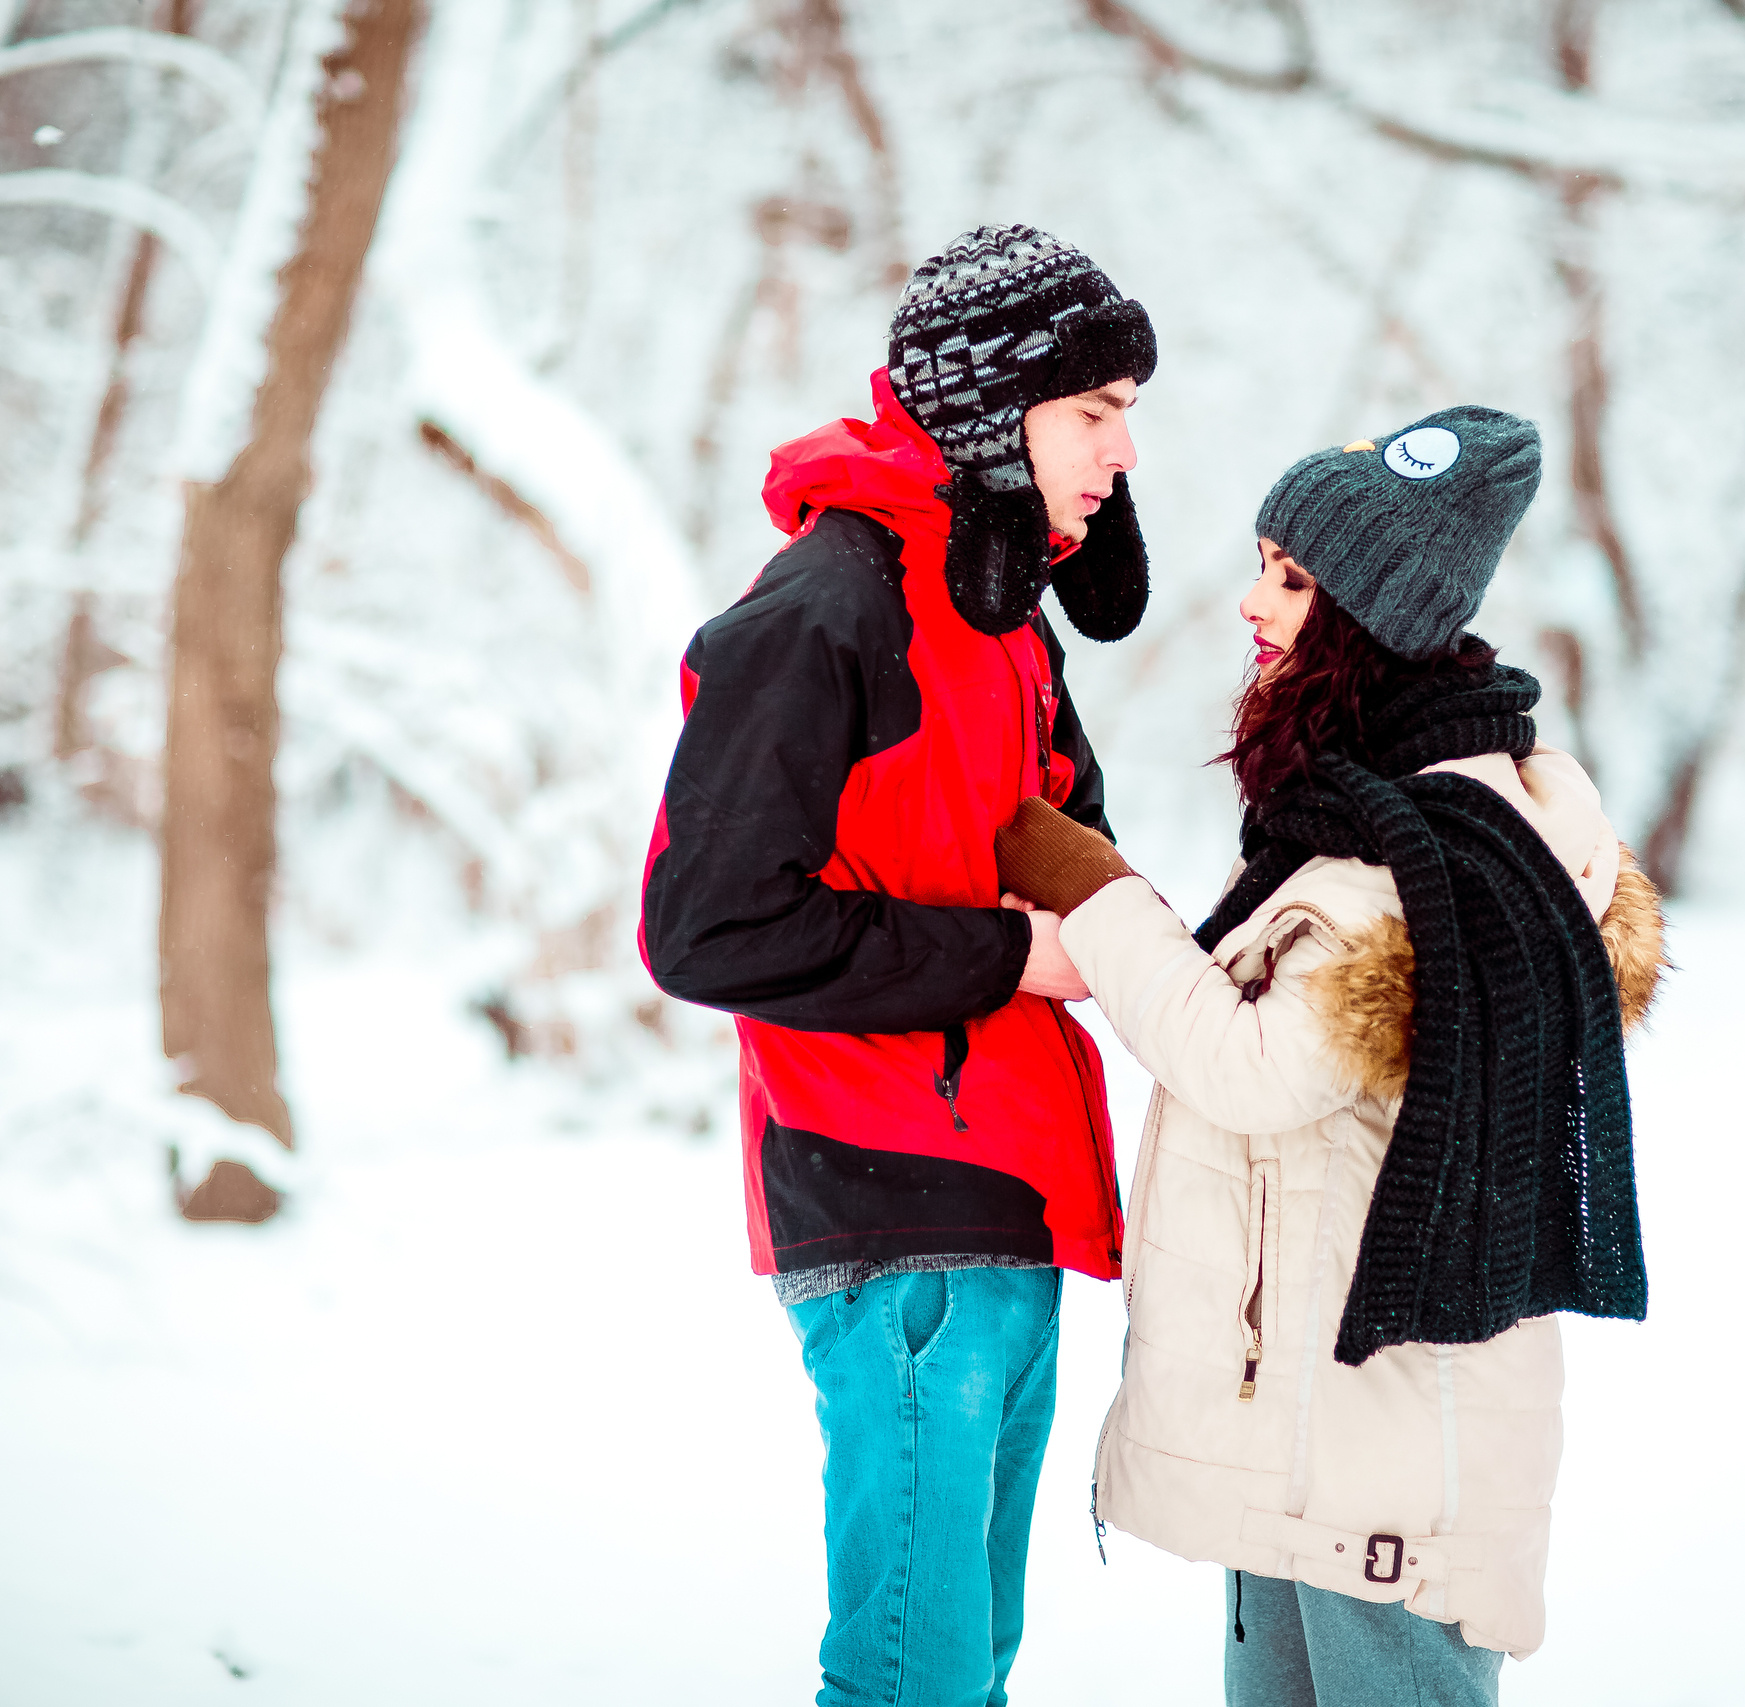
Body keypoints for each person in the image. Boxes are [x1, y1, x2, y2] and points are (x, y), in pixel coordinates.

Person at [991, 408, 1667, 1705]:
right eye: (1263, 565)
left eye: (1292, 579)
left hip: (1387, 1459)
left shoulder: (1438, 853)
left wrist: (1095, 893)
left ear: (1373, 616)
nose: (1253, 603)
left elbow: (1250, 1064)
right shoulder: (1361, 816)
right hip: (1309, 1438)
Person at [639, 224, 1157, 1707]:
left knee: (965, 1670)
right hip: (891, 1203)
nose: (1122, 451)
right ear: (997, 411)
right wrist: (1008, 957)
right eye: (1092, 411)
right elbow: (708, 926)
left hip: (1010, 1192)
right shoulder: (826, 607)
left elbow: (1044, 844)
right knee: (911, 1682)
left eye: (1128, 413)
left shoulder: (994, 612)